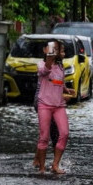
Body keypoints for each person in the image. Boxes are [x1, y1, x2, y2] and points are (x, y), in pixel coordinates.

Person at [34, 40, 75, 173]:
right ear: (45, 50)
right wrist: (49, 59)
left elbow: (58, 81)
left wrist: (66, 90)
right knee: (44, 136)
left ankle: (55, 165)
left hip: (59, 105)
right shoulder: (42, 64)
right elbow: (44, 72)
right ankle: (41, 167)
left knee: (64, 133)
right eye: (53, 48)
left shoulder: (60, 66)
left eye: (57, 49)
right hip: (44, 105)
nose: (55, 51)